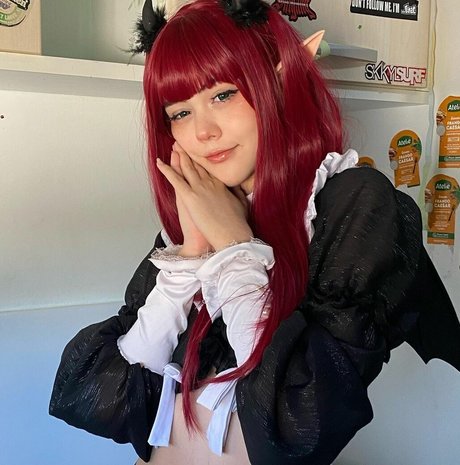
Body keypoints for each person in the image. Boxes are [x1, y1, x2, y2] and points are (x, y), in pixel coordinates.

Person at [49, 0, 460, 464]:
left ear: (279, 83)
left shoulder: (352, 204)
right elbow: (104, 399)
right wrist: (191, 256)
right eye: (179, 112)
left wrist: (235, 246)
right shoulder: (195, 218)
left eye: (223, 95)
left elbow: (301, 417)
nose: (203, 131)